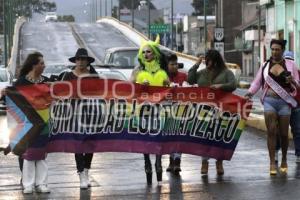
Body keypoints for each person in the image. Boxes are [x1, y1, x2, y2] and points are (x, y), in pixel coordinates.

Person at [245, 39, 299, 175]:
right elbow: (257, 82)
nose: (274, 52)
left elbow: (298, 82)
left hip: (284, 103)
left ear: (282, 50)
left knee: (283, 134)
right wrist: (249, 93)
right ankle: (271, 161)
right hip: (269, 101)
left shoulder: (290, 64)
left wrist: (291, 80)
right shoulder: (265, 65)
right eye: (273, 49)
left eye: (277, 49)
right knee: (271, 132)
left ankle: (285, 159)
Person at [187, 49, 237, 175]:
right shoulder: (202, 73)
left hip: (222, 110)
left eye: (211, 61)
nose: (208, 63)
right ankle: (204, 162)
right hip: (204, 110)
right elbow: (190, 79)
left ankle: (219, 162)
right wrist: (196, 64)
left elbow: (233, 84)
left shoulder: (226, 73)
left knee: (219, 136)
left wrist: (221, 86)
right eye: (206, 60)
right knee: (204, 136)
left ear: (216, 61)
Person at [131, 36, 169, 185]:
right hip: (143, 111)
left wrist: (168, 84)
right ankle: (147, 164)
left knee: (159, 138)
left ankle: (158, 164)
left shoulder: (162, 71)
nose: (146, 54)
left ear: (154, 54)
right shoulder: (137, 70)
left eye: (149, 52)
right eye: (144, 52)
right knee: (145, 139)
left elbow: (168, 91)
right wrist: (140, 85)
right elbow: (130, 88)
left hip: (159, 111)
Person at [57, 48, 98, 189]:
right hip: (73, 115)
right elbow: (59, 92)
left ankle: (87, 170)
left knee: (91, 144)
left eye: (83, 59)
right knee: (78, 145)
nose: (81, 61)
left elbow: (101, 93)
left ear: (87, 61)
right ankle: (81, 174)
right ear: (75, 61)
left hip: (92, 115)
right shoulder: (67, 76)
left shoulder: (94, 76)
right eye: (78, 59)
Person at [15, 52, 50, 194]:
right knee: (28, 154)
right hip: (27, 123)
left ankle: (41, 183)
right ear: (33, 65)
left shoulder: (46, 82)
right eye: (41, 63)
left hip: (44, 122)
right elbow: (12, 100)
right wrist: (5, 93)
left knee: (41, 155)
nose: (44, 65)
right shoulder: (21, 83)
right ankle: (28, 184)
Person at [165, 54, 187, 175]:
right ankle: (171, 160)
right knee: (169, 136)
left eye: (176, 64)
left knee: (178, 136)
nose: (174, 66)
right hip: (166, 112)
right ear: (167, 65)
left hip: (181, 111)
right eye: (172, 64)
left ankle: (177, 161)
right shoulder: (163, 77)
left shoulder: (183, 76)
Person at [283, 51, 300, 163]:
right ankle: (276, 152)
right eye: (287, 60)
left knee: (297, 129)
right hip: (282, 104)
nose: (289, 62)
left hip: (296, 105)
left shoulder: (298, 72)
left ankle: (299, 153)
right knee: (280, 130)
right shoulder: (278, 72)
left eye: (291, 60)